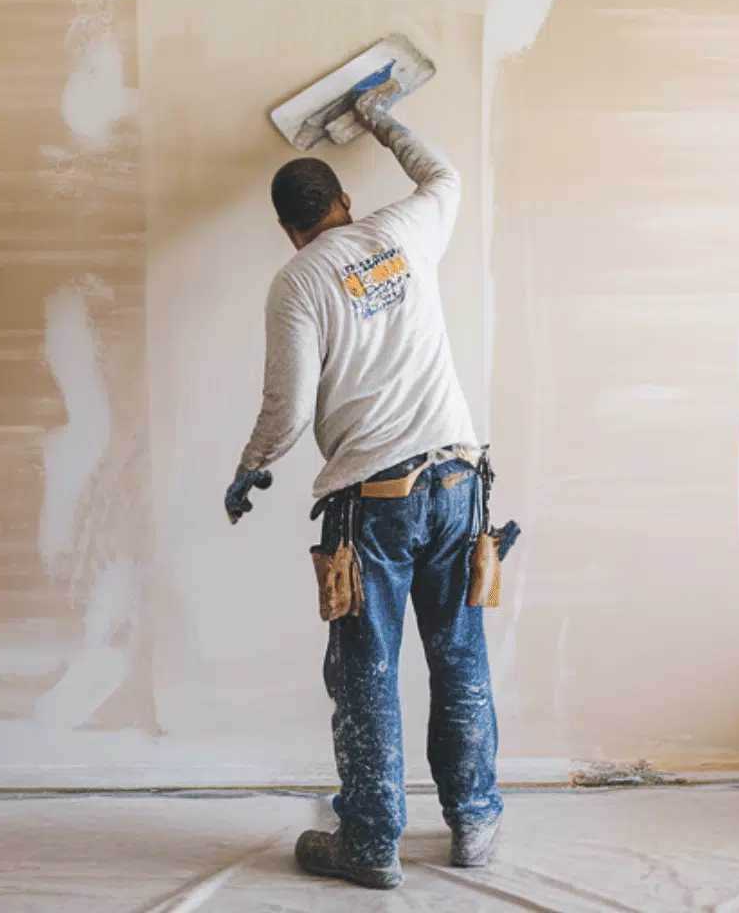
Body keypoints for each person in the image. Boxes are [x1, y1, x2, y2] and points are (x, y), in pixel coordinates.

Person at [224, 79, 500, 890]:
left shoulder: (298, 283)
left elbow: (288, 404)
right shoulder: (403, 230)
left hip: (371, 502)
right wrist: (380, 119)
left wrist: (252, 466)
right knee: (460, 658)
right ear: (344, 200)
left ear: (287, 228)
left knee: (366, 671)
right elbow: (444, 175)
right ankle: (476, 824)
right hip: (458, 484)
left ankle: (372, 845)